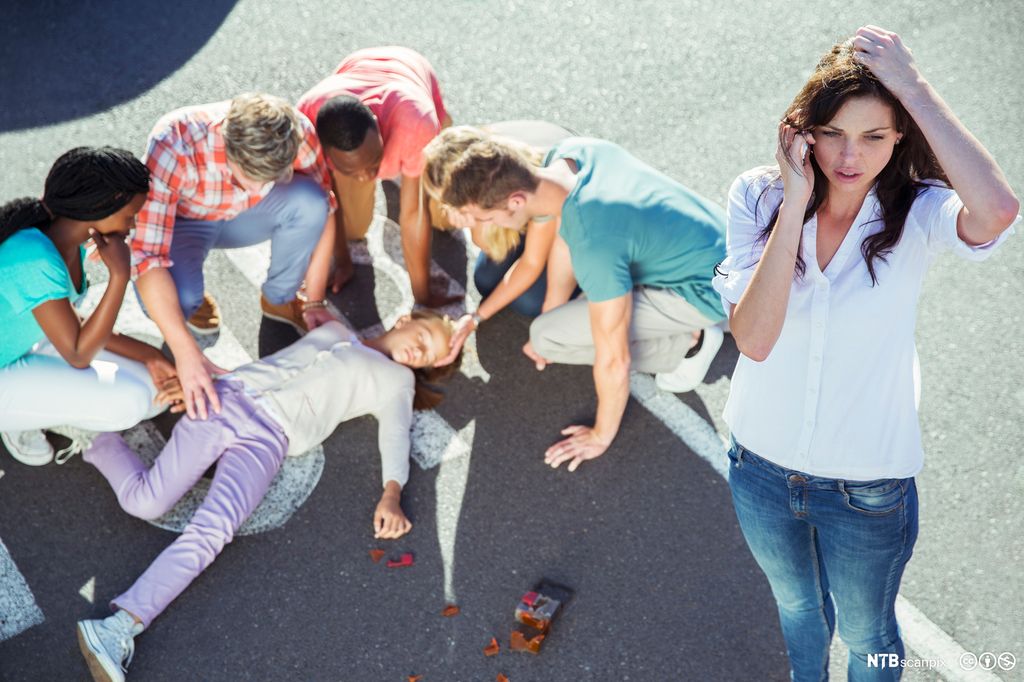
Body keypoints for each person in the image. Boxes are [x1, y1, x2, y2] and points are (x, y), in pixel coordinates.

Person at [714, 26, 1018, 681]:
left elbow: (996, 211)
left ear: (900, 136)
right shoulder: (759, 197)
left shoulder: (920, 210)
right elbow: (756, 340)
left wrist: (914, 88)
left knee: (866, 633)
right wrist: (796, 203)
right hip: (760, 470)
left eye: (875, 136)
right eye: (836, 135)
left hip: (868, 489)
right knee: (796, 606)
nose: (851, 156)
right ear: (806, 132)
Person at [76, 311, 461, 682]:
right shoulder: (337, 329)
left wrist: (392, 492)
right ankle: (92, 436)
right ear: (404, 320)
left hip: (269, 441)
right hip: (228, 398)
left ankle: (119, 626)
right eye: (423, 338)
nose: (419, 353)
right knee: (144, 502)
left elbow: (395, 433)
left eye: (427, 357)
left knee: (215, 531)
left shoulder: (397, 380)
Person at [435, 134, 727, 470]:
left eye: (485, 219)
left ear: (515, 202)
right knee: (549, 325)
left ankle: (689, 344)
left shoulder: (595, 243)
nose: (487, 226)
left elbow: (614, 359)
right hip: (723, 243)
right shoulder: (572, 156)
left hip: (712, 292)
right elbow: (563, 242)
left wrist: (601, 434)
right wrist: (552, 311)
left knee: (551, 337)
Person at [132, 93, 337, 422]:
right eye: (249, 177)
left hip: (246, 218)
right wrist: (186, 353)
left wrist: (314, 301)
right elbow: (146, 257)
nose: (258, 186)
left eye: (269, 180)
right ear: (227, 145)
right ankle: (189, 301)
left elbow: (324, 206)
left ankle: (280, 300)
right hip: (184, 224)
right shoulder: (174, 142)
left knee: (311, 202)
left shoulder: (296, 130)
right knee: (178, 297)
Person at [0, 147, 178, 466]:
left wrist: (149, 355)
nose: (133, 225)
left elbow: (67, 320)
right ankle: (18, 417)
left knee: (154, 391)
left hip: (23, 343)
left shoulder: (64, 240)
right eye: (129, 215)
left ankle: (34, 403)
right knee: (131, 403)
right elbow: (79, 354)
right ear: (99, 207)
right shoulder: (35, 258)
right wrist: (119, 276)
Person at [297, 46, 455, 305]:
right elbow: (325, 196)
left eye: (373, 163)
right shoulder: (307, 122)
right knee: (352, 230)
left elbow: (413, 213)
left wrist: (422, 299)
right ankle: (393, 162)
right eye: (351, 171)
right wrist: (343, 260)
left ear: (376, 124)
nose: (365, 177)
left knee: (446, 216)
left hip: (410, 75)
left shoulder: (416, 123)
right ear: (324, 150)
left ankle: (449, 137)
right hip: (357, 70)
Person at [422, 122, 578, 353]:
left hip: (564, 210)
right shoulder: (476, 167)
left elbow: (532, 263)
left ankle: (583, 294)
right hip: (518, 206)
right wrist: (475, 318)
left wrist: (548, 331)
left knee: (529, 300)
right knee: (486, 278)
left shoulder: (535, 188)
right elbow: (493, 247)